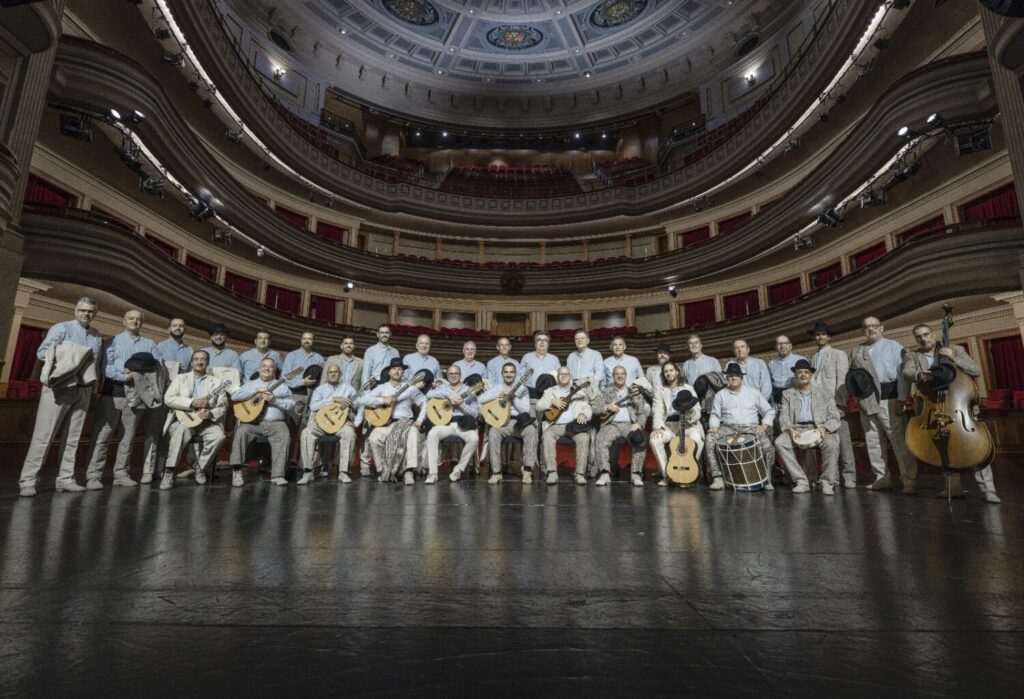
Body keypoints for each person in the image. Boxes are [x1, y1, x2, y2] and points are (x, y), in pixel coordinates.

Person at [901, 323, 1000, 503]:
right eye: (918, 336)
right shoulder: (912, 355)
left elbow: (975, 369)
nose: (923, 339)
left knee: (975, 447)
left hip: (959, 405)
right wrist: (918, 375)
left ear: (933, 333)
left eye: (926, 334)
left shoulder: (954, 349)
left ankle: (988, 490)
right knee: (943, 447)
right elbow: (907, 371)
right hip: (935, 407)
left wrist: (954, 357)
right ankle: (953, 488)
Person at [18, 296, 102, 497]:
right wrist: (73, 356)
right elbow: (42, 352)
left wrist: (93, 389)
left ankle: (65, 479)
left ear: (94, 314)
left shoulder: (96, 335)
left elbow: (96, 365)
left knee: (73, 437)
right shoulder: (61, 328)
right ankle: (28, 480)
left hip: (83, 389)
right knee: (43, 436)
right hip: (60, 387)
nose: (86, 314)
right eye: (82, 310)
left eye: (90, 311)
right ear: (76, 310)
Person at [84, 309, 159, 488]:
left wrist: (136, 373)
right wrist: (125, 376)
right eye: (131, 318)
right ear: (123, 321)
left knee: (128, 437)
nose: (135, 321)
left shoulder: (150, 344)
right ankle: (93, 474)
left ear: (142, 323)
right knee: (103, 435)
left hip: (138, 395)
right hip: (113, 393)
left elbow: (156, 367)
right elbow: (106, 369)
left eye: (138, 319)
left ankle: (121, 474)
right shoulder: (111, 341)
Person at [848, 315, 916, 493]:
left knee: (898, 440)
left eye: (874, 326)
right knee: (873, 441)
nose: (870, 329)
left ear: (882, 328)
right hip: (867, 401)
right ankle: (881, 477)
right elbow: (853, 378)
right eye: (866, 327)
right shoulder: (856, 350)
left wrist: (902, 398)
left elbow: (902, 374)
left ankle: (908, 479)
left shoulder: (894, 346)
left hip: (889, 398)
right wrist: (857, 400)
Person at [159, 350, 229, 490]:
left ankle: (200, 467)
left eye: (203, 359)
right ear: (192, 362)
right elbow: (169, 399)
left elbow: (223, 406)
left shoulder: (217, 382)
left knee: (219, 436)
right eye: (196, 359)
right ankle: (169, 471)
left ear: (208, 363)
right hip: (183, 420)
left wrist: (210, 413)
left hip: (206, 422)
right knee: (180, 432)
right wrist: (192, 402)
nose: (199, 361)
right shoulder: (180, 378)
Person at [774, 359, 842, 495]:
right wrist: (790, 429)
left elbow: (835, 417)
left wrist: (825, 428)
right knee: (780, 442)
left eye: (806, 372)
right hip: (797, 428)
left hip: (820, 428)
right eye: (799, 372)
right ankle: (801, 480)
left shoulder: (824, 392)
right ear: (795, 375)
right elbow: (784, 416)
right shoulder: (788, 394)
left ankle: (827, 482)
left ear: (811, 375)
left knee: (832, 444)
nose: (803, 375)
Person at [706, 362, 776, 491]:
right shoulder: (720, 395)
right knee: (710, 439)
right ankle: (718, 478)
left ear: (741, 377)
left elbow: (769, 411)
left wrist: (764, 425)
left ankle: (767, 479)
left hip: (750, 427)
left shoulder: (753, 393)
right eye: (730, 376)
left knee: (768, 448)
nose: (733, 378)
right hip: (728, 428)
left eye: (736, 375)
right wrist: (714, 426)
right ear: (726, 378)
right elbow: (715, 415)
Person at [358, 358, 428, 485]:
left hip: (406, 423)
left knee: (412, 434)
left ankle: (409, 471)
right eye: (394, 369)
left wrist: (419, 420)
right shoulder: (382, 388)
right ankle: (382, 470)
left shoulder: (410, 388)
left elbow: (425, 402)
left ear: (403, 372)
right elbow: (363, 400)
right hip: (387, 424)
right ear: (389, 372)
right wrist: (382, 401)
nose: (397, 371)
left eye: (400, 369)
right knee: (374, 437)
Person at [228, 358, 295, 486]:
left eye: (270, 367)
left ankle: (278, 475)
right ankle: (237, 471)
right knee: (241, 432)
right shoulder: (249, 383)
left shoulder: (282, 386)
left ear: (274, 370)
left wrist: (275, 401)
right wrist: (255, 391)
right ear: (258, 369)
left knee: (284, 434)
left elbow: (292, 405)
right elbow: (234, 396)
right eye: (264, 366)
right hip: (252, 423)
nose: (267, 369)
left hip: (275, 424)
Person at [807, 321, 858, 488]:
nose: (820, 337)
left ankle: (849, 476)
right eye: (817, 334)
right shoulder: (812, 358)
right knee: (830, 443)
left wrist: (841, 404)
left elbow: (842, 381)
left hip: (836, 404)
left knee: (844, 442)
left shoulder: (839, 354)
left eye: (823, 334)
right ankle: (833, 477)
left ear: (828, 336)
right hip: (819, 407)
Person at [299, 361, 358, 484]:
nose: (333, 374)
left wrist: (352, 420)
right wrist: (332, 399)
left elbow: (357, 406)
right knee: (306, 432)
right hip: (321, 424)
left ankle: (343, 472)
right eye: (330, 372)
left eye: (335, 372)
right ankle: (308, 472)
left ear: (340, 374)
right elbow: (313, 406)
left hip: (340, 424)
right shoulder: (320, 389)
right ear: (327, 374)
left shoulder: (349, 389)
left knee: (349, 433)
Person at [591, 366, 650, 486]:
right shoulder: (606, 391)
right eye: (617, 374)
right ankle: (605, 473)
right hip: (611, 424)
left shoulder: (633, 393)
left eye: (622, 373)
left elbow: (641, 413)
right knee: (601, 437)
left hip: (630, 424)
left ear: (626, 375)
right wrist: (607, 407)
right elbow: (595, 408)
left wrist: (638, 423)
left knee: (640, 439)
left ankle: (635, 474)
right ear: (613, 376)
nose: (620, 376)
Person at [480, 362, 538, 484]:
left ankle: (527, 470)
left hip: (519, 422)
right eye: (506, 372)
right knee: (493, 432)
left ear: (516, 374)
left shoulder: (522, 389)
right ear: (502, 374)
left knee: (531, 430)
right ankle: (496, 473)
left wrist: (513, 397)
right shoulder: (497, 387)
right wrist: (498, 394)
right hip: (501, 423)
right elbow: (481, 399)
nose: (509, 374)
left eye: (511, 372)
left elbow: (525, 410)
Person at [650, 361, 704, 488]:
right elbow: (657, 409)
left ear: (677, 371)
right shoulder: (660, 389)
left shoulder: (688, 388)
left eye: (671, 370)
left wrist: (689, 412)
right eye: (666, 371)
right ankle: (667, 475)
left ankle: (688, 473)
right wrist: (657, 427)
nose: (669, 373)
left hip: (687, 425)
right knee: (654, 440)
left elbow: (697, 411)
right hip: (669, 426)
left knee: (697, 439)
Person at [425, 365, 481, 483]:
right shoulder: (442, 388)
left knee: (474, 438)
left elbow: (475, 413)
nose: (453, 376)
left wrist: (462, 404)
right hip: (445, 423)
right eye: (451, 374)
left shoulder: (469, 390)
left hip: (462, 424)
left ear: (460, 375)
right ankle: (433, 473)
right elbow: (428, 395)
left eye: (456, 373)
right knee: (432, 433)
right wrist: (447, 396)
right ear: (447, 375)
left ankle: (458, 470)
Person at [537, 366, 593, 485]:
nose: (563, 376)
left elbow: (588, 407)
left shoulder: (579, 392)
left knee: (584, 438)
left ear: (570, 377)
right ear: (557, 377)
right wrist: (552, 402)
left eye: (566, 374)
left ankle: (580, 474)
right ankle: (552, 472)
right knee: (547, 436)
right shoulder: (550, 391)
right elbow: (539, 405)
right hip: (555, 425)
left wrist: (584, 414)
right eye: (561, 374)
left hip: (574, 426)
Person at [360, 325, 399, 475]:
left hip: (389, 390)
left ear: (390, 335)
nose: (384, 335)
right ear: (377, 335)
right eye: (382, 333)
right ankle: (365, 463)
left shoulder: (395, 352)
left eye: (387, 333)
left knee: (385, 426)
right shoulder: (370, 351)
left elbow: (398, 372)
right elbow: (366, 375)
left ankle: (384, 464)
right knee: (369, 426)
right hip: (374, 388)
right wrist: (367, 396)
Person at [281, 331, 324, 425]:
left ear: (314, 341)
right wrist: (303, 382)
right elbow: (286, 378)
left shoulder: (319, 358)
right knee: (292, 425)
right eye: (304, 338)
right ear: (301, 340)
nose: (307, 341)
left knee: (308, 425)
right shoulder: (292, 356)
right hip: (295, 395)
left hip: (312, 396)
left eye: (309, 339)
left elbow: (322, 379)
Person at [767, 335, 806, 405]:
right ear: (775, 347)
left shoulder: (800, 360)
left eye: (785, 343)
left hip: (795, 400)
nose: (782, 346)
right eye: (779, 344)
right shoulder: (771, 363)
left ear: (790, 346)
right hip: (777, 402)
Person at [520, 330, 560, 398]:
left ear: (548, 344)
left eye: (545, 340)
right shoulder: (526, 357)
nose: (542, 342)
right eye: (539, 340)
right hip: (530, 392)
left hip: (549, 393)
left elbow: (559, 377)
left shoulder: (554, 359)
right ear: (535, 343)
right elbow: (520, 377)